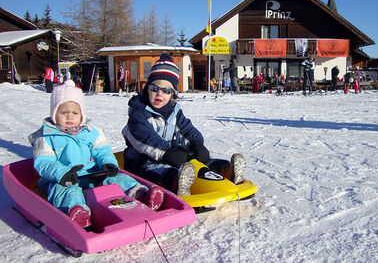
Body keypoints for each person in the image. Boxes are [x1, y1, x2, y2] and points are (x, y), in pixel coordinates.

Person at [29, 80, 163, 228]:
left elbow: (102, 151)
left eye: (74, 112)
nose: (69, 117)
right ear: (54, 114)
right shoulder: (46, 137)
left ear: (81, 114)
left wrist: (108, 164)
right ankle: (78, 213)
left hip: (91, 173)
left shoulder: (91, 132)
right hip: (62, 178)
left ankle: (141, 194)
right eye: (63, 112)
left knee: (117, 178)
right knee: (64, 192)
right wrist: (62, 174)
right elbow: (44, 162)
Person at [122, 53, 246, 196]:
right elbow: (144, 137)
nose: (159, 94)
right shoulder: (138, 113)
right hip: (140, 159)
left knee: (195, 161)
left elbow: (187, 129)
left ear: (173, 93)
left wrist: (197, 144)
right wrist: (166, 152)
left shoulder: (174, 111)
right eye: (155, 88)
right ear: (147, 88)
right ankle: (176, 182)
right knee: (155, 170)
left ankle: (225, 170)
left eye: (166, 90)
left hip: (169, 154)